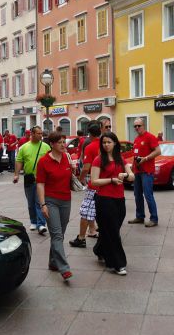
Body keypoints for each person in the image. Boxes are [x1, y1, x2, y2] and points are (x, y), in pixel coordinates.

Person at [90, 131, 134, 275]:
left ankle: (99, 249)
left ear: (115, 143)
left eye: (109, 142)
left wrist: (125, 175)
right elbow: (94, 181)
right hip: (104, 199)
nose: (106, 145)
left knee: (111, 229)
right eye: (104, 142)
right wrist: (111, 179)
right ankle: (118, 264)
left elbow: (132, 177)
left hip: (119, 199)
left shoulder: (120, 159)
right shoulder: (98, 159)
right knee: (113, 232)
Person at [36, 131, 76, 281]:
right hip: (51, 200)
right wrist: (43, 204)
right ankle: (64, 268)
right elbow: (40, 184)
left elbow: (73, 179)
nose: (63, 144)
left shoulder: (67, 157)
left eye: (64, 142)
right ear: (52, 144)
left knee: (60, 233)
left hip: (66, 200)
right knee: (57, 234)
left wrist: (73, 168)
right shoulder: (43, 161)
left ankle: (53, 262)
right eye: (59, 142)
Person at [69, 122, 102, 248]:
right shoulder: (106, 144)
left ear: (89, 134)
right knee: (94, 210)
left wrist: (80, 179)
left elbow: (86, 167)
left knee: (85, 211)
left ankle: (81, 238)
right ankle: (93, 230)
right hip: (105, 184)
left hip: (94, 183)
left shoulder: (91, 146)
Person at [13, 126, 50, 234]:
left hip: (42, 179)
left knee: (39, 201)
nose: (41, 135)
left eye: (41, 133)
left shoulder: (46, 147)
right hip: (29, 178)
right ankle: (33, 221)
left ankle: (41, 225)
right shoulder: (24, 147)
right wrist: (16, 175)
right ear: (32, 134)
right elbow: (19, 161)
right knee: (30, 202)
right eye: (38, 133)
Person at [128, 118, 161, 227]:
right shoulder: (136, 139)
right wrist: (132, 169)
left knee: (148, 195)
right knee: (137, 194)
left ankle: (154, 219)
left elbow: (158, 151)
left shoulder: (150, 137)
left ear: (144, 126)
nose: (137, 128)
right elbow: (135, 156)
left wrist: (145, 158)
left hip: (147, 171)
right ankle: (140, 216)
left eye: (139, 125)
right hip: (137, 171)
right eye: (135, 126)